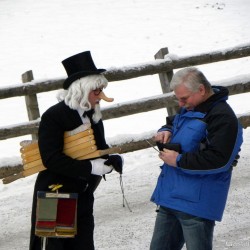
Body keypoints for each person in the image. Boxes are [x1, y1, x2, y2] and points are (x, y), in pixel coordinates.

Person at [29, 51, 123, 250]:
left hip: (83, 195)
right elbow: (51, 159)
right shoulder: (54, 116)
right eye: (97, 91)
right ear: (82, 89)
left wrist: (109, 160)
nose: (102, 96)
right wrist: (90, 167)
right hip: (55, 194)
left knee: (84, 246)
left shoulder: (92, 113)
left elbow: (97, 149)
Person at [150, 67, 243, 250]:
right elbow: (176, 122)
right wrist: (166, 131)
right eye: (178, 99)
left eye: (184, 98)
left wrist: (178, 160)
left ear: (201, 90)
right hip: (171, 198)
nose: (181, 103)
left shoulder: (223, 118)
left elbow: (219, 160)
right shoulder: (192, 107)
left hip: (196, 207)